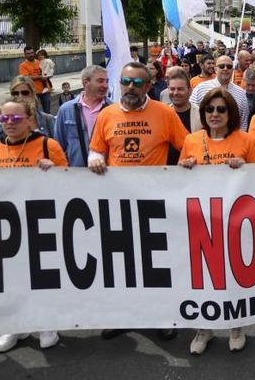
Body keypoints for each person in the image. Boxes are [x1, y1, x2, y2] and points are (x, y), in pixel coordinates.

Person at [87, 62, 187, 341]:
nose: (131, 87)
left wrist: (186, 168)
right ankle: (123, 315)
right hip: (118, 203)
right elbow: (97, 149)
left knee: (156, 262)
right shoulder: (107, 115)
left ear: (149, 86)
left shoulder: (165, 113)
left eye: (138, 83)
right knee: (121, 262)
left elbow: (187, 146)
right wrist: (94, 160)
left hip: (156, 202)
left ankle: (163, 316)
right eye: (126, 81)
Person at [0, 99, 67, 352]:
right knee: (12, 277)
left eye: (16, 119)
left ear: (30, 120)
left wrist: (55, 170)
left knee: (43, 275)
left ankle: (45, 323)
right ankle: (14, 326)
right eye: (4, 119)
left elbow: (70, 183)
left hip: (42, 223)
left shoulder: (47, 145)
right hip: (6, 228)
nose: (9, 123)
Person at [179, 88, 255, 355]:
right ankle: (205, 327)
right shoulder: (191, 140)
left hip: (236, 222)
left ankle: (236, 325)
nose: (215, 114)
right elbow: (178, 182)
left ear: (231, 113)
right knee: (204, 277)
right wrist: (186, 166)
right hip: (201, 221)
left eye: (221, 109)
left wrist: (245, 170)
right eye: (210, 110)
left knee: (234, 276)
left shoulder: (245, 141)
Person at [54, 66, 111, 167]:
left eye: (107, 81)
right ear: (85, 82)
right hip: (76, 174)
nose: (105, 85)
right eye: (100, 81)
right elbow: (58, 146)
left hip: (107, 173)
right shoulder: (66, 109)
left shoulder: (113, 110)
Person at [190, 55, 250, 131]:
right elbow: (192, 114)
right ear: (215, 69)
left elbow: (243, 122)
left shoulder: (241, 93)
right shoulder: (200, 88)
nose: (225, 69)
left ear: (233, 70)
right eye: (221, 66)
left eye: (229, 66)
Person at [18, 46, 47, 112]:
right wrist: (39, 77)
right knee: (34, 112)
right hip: (33, 92)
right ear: (25, 55)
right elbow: (26, 77)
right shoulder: (23, 65)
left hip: (45, 90)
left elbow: (47, 72)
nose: (31, 55)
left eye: (32, 53)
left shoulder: (40, 62)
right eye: (28, 53)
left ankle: (47, 122)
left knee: (47, 111)